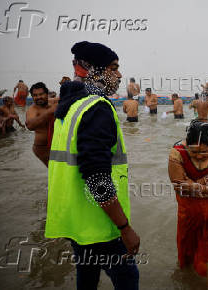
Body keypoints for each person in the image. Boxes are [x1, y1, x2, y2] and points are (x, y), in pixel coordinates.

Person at [45, 41, 140, 290]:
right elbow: (96, 176)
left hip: (75, 221)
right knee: (127, 277)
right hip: (99, 223)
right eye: (113, 68)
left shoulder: (68, 107)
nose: (119, 74)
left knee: (87, 276)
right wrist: (124, 227)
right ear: (91, 70)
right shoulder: (96, 107)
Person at [168, 120, 208, 289]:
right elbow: (181, 189)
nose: (198, 156)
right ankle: (186, 282)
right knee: (186, 251)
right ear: (186, 144)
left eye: (203, 152)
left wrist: (195, 186)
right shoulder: (176, 153)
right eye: (194, 152)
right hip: (187, 212)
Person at [25, 82, 56, 167]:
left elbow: (69, 98)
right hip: (42, 148)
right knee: (54, 170)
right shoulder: (32, 110)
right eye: (35, 95)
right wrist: (49, 112)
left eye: (41, 94)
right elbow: (30, 126)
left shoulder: (53, 102)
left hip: (56, 144)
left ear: (47, 94)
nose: (38, 97)